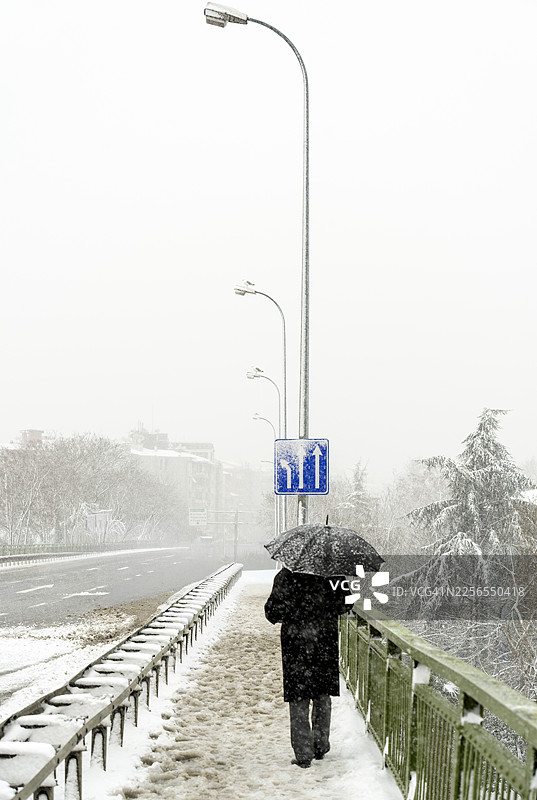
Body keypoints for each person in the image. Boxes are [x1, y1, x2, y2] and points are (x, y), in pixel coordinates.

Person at [264, 567, 351, 768]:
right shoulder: (334, 575)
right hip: (324, 643)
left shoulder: (286, 576)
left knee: (298, 698)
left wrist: (293, 609)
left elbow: (271, 612)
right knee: (322, 695)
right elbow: (346, 604)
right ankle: (320, 745)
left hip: (296, 646)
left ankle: (303, 753)